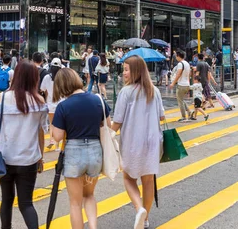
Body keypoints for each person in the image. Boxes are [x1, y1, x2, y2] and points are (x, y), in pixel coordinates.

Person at [0, 61, 48, 229]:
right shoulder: (39, 101)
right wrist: (40, 158)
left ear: (15, 77)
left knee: (6, 200)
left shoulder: (2, 98)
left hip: (5, 159)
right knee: (26, 203)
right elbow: (41, 132)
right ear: (34, 78)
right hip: (29, 160)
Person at [51, 68, 111, 229]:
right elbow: (108, 125)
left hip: (73, 153)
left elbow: (57, 136)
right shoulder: (98, 100)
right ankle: (93, 227)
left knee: (75, 203)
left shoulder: (63, 106)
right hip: (95, 151)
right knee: (89, 195)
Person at [111, 55, 164, 229]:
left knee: (128, 177)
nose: (123, 73)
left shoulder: (126, 92)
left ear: (135, 71)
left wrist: (106, 133)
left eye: (126, 69)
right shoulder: (154, 91)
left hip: (133, 141)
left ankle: (139, 208)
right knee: (148, 181)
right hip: (152, 142)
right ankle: (146, 219)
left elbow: (117, 122)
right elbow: (162, 116)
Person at [40, 58, 64, 149]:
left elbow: (42, 89)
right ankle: (58, 145)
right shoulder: (63, 77)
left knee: (51, 124)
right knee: (61, 124)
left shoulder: (47, 77)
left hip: (50, 104)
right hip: (61, 104)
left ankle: (51, 140)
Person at [169, 50, 192, 122]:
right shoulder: (187, 64)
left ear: (179, 56)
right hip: (187, 84)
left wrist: (173, 83)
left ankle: (183, 116)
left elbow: (178, 74)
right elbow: (189, 74)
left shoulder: (180, 64)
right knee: (181, 99)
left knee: (180, 101)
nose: (176, 57)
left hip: (181, 85)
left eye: (176, 56)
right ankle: (189, 112)